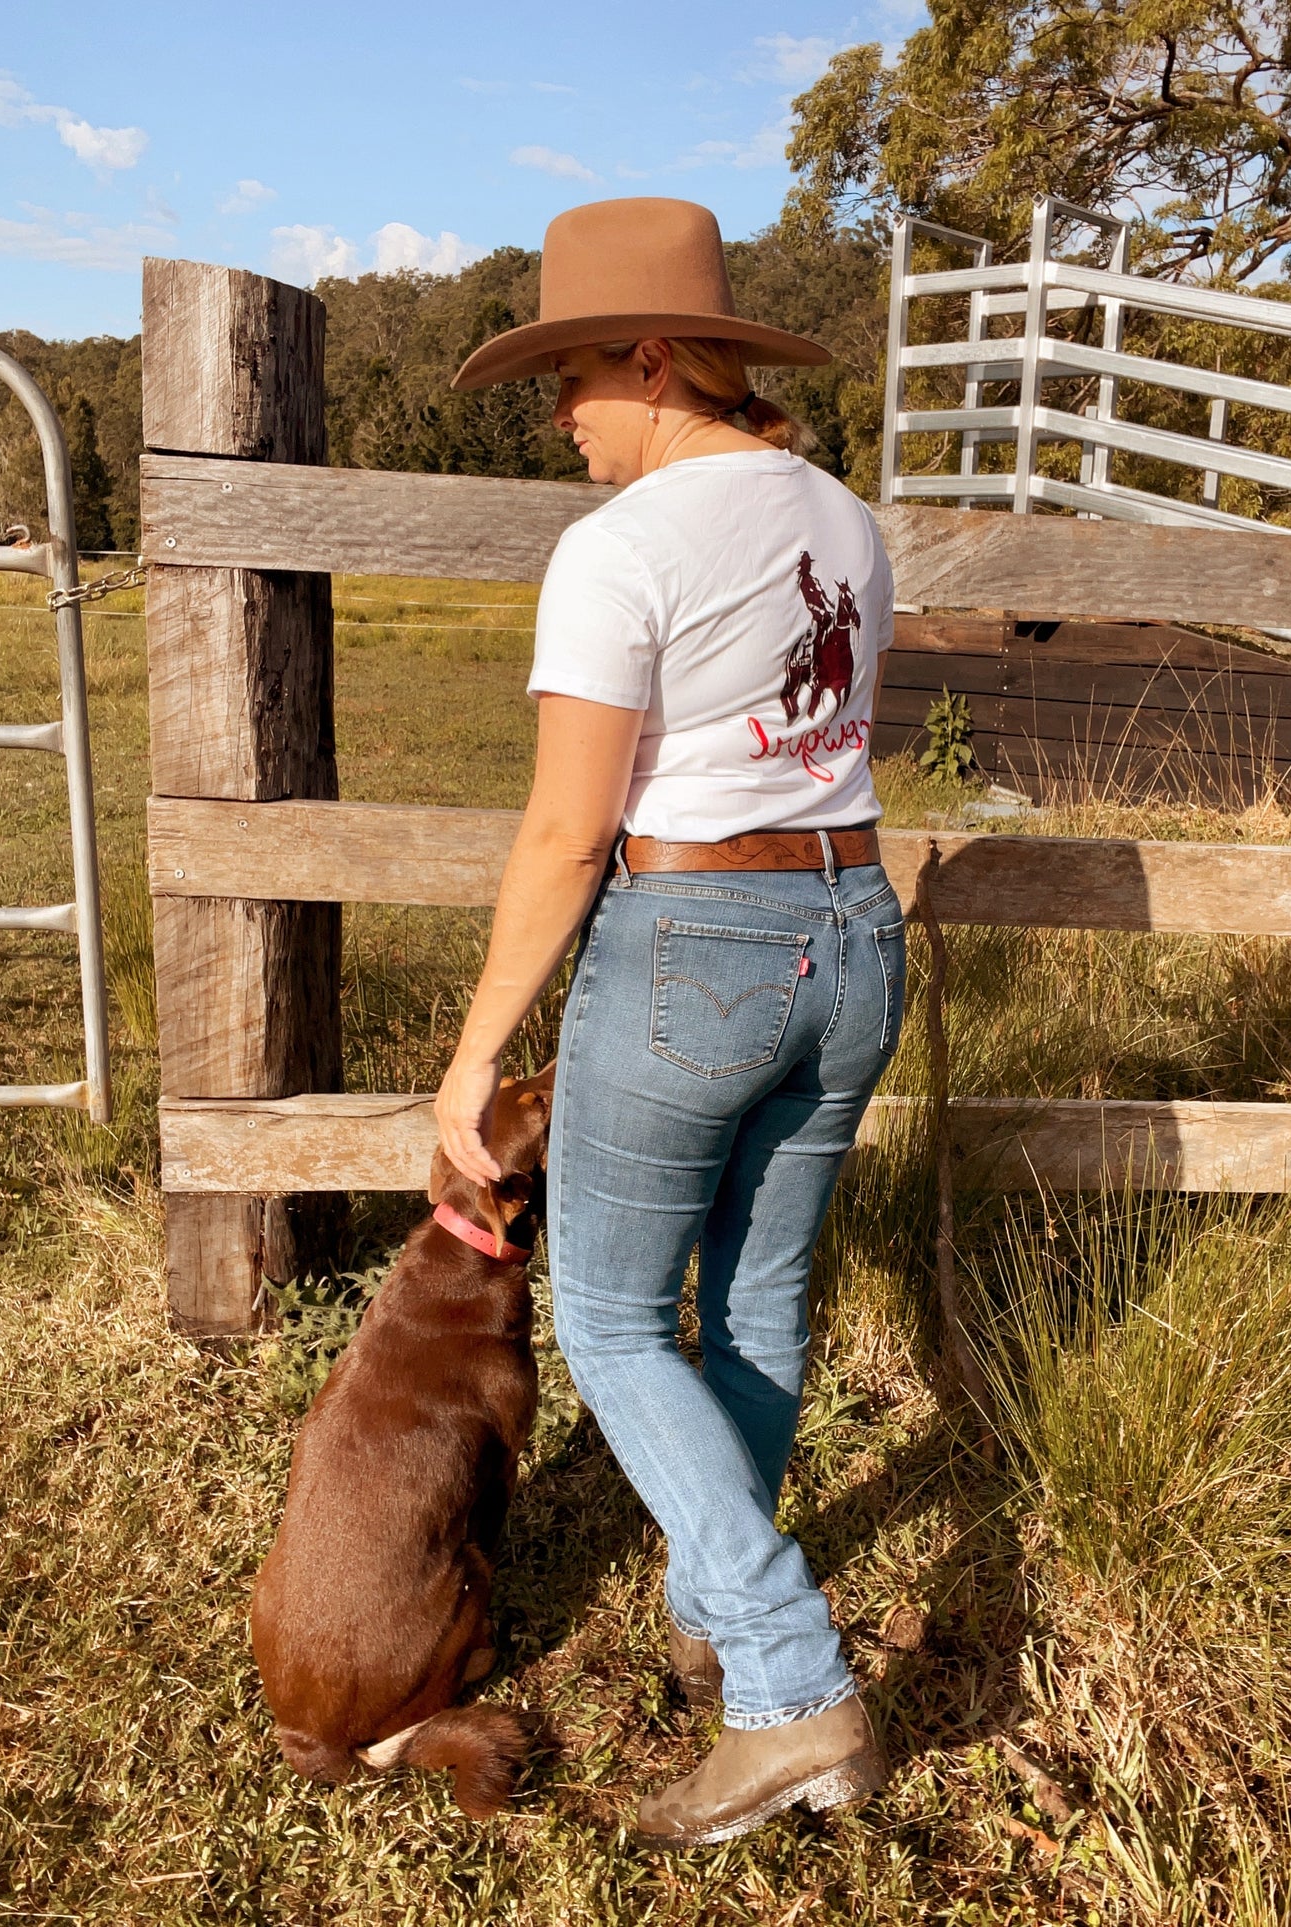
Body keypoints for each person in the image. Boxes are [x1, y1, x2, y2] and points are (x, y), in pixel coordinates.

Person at [435, 197, 905, 1848]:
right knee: (757, 1299)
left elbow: (570, 831)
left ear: (651, 358)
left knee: (617, 1323)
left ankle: (785, 1686)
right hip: (855, 930)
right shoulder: (842, 517)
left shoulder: (618, 549)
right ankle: (718, 1595)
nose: (558, 414)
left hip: (698, 934)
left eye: (572, 376)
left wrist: (478, 1049)